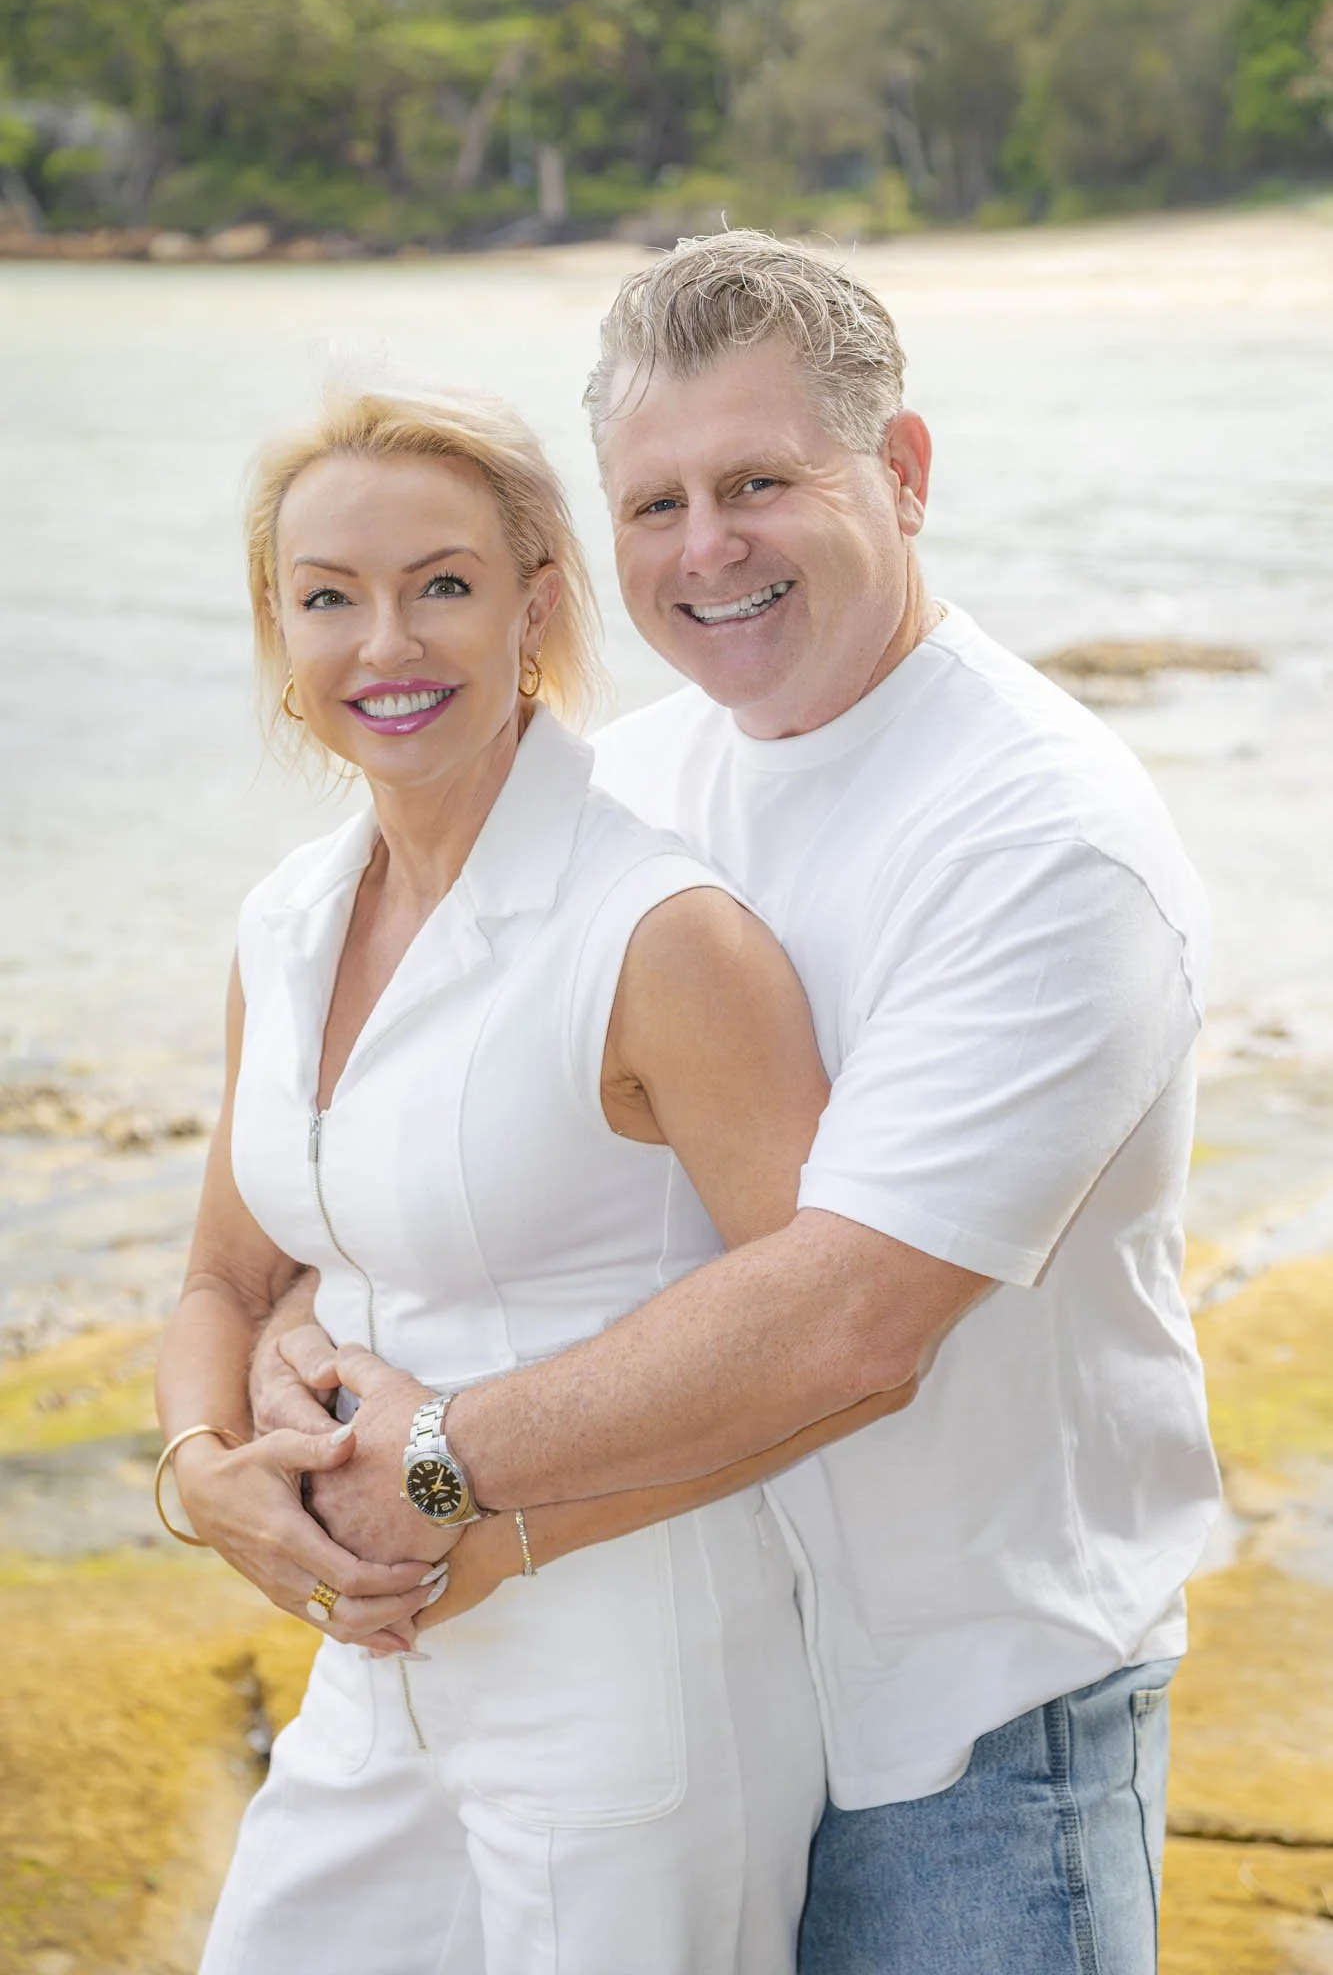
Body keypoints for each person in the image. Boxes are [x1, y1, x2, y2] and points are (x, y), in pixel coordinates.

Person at [240, 234, 1220, 1975]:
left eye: (760, 481)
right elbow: (481, 1151)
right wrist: (269, 1378)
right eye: (657, 501)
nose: (707, 551)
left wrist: (455, 1474)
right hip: (717, 1665)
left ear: (902, 475)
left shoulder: (1039, 839)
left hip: (973, 1730)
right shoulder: (655, 770)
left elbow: (852, 1319)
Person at [154, 383, 921, 1974]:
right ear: (278, 638)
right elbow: (225, 1279)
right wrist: (203, 1470)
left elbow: (832, 1359)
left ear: (534, 609)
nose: (387, 645)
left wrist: (483, 1533)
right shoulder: (287, 925)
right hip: (379, 1673)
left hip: (633, 1684)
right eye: (329, 599)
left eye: (442, 584)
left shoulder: (662, 937)